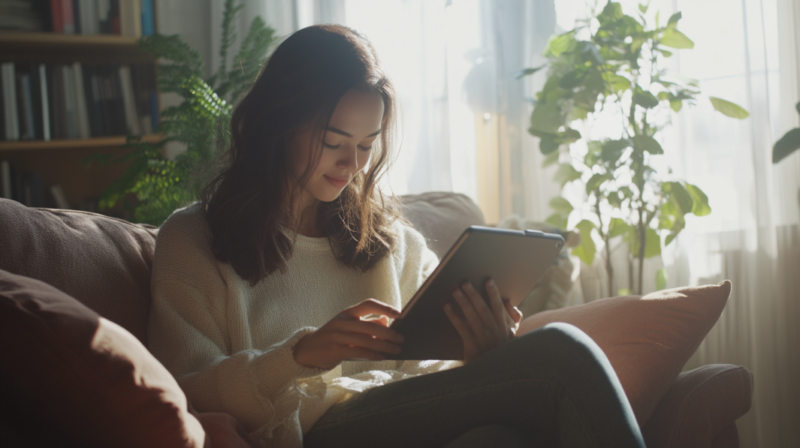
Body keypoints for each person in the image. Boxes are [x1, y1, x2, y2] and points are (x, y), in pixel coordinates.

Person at [148, 24, 646, 448]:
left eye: (367, 145)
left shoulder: (392, 243)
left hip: (405, 421)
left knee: (498, 441)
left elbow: (430, 381)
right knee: (561, 353)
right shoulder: (195, 239)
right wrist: (298, 357)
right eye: (333, 141)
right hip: (313, 431)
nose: (352, 164)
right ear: (277, 123)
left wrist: (482, 354)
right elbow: (178, 391)